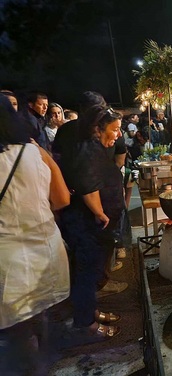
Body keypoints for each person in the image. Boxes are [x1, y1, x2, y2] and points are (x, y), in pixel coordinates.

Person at [0, 94, 71, 371]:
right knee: (39, 317)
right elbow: (62, 199)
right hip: (44, 251)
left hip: (8, 264)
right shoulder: (32, 152)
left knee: (18, 333)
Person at [59, 105, 125, 339]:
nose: (118, 135)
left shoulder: (96, 147)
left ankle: (90, 311)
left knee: (91, 271)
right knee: (87, 272)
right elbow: (87, 187)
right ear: (97, 129)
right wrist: (101, 213)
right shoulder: (86, 150)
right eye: (115, 129)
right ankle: (85, 324)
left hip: (94, 223)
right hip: (87, 222)